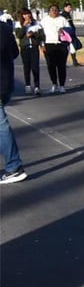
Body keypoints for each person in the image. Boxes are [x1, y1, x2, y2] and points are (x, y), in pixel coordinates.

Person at [1, 16, 28, 184]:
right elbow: (14, 53)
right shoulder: (5, 28)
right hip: (6, 83)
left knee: (1, 126)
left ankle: (14, 166)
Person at [38, 5, 71, 94]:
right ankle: (54, 83)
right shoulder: (44, 20)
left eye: (56, 10)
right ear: (49, 11)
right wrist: (42, 44)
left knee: (61, 66)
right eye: (52, 10)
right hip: (49, 44)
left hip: (61, 44)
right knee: (51, 65)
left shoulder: (62, 19)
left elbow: (69, 31)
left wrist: (63, 30)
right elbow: (40, 34)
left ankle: (62, 85)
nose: (54, 11)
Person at [13, 9, 43, 95]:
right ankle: (28, 86)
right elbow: (18, 35)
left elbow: (41, 36)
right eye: (25, 14)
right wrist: (24, 26)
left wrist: (33, 34)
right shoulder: (18, 24)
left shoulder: (36, 24)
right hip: (25, 48)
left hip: (34, 47)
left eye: (28, 14)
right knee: (26, 67)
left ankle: (37, 87)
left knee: (35, 67)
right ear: (22, 16)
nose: (27, 16)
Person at [60, 2, 82, 67]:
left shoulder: (68, 15)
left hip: (71, 33)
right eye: (68, 7)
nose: (70, 8)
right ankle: (63, 62)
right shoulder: (62, 16)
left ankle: (75, 62)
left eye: (70, 7)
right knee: (65, 48)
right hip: (66, 34)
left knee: (73, 47)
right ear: (65, 8)